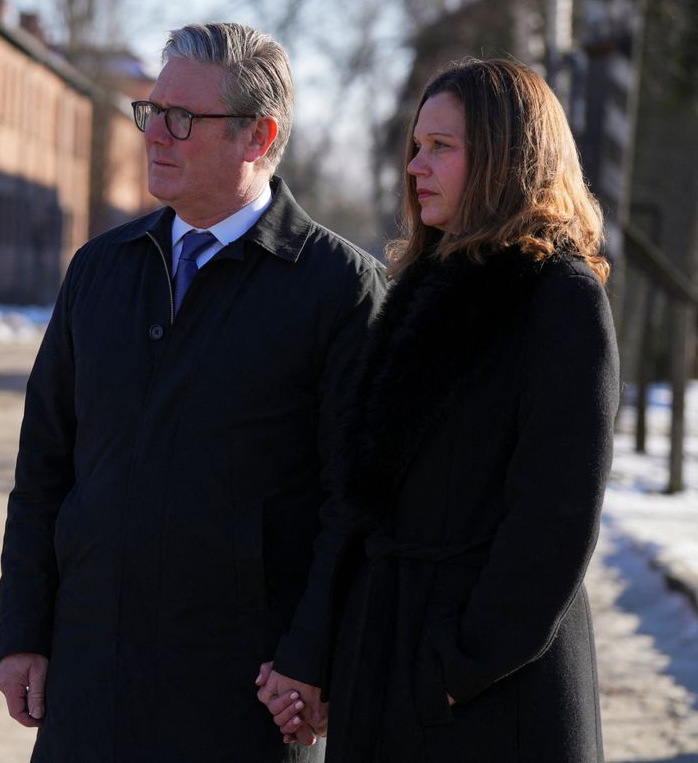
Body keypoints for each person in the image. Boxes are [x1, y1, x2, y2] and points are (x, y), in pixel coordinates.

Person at [0, 22, 385, 761]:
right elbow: (43, 469)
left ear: (257, 136)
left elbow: (354, 505)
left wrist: (313, 658)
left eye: (183, 119)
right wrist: (24, 634)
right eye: (152, 112)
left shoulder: (340, 291)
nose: (155, 135)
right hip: (91, 682)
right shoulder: (100, 270)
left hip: (245, 699)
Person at [259, 57, 618, 762]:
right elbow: (365, 504)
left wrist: (455, 669)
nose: (416, 167)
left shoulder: (559, 299)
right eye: (416, 147)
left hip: (488, 694)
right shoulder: (421, 292)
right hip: (390, 662)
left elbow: (555, 518)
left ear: (508, 157)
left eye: (442, 148)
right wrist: (333, 654)